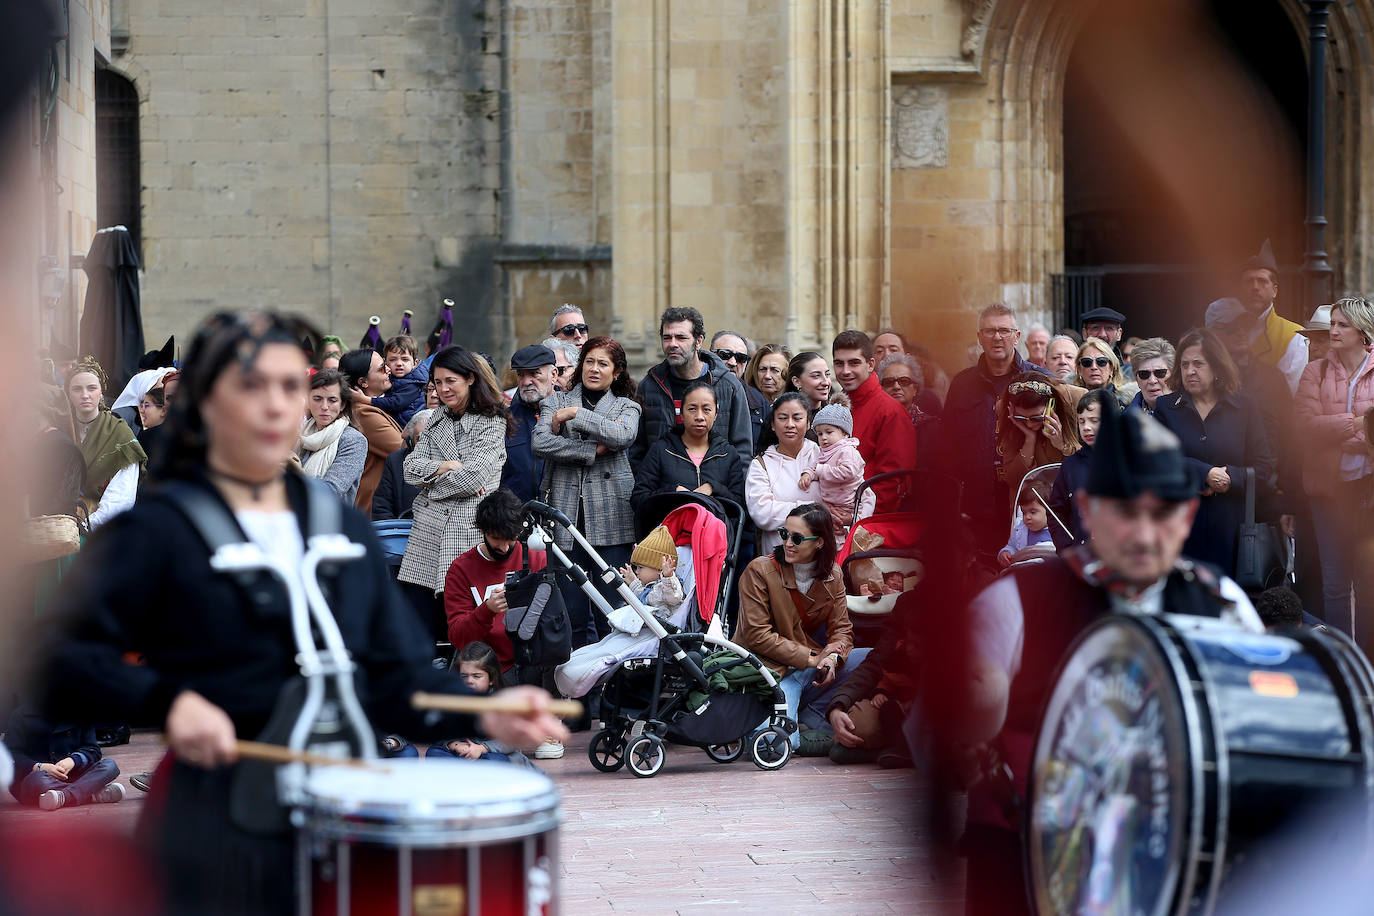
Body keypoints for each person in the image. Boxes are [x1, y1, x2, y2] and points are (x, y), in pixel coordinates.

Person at [34, 311, 566, 915]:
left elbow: (395, 675)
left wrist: (483, 712)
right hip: (218, 826)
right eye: (251, 385)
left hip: (343, 821)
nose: (275, 405)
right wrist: (168, 703)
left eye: (291, 387)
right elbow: (60, 660)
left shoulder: (338, 526)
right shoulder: (159, 529)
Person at [956, 402, 1262, 916]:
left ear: (1188, 515)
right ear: (1088, 508)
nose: (1144, 535)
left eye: (1163, 512)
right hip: (1023, 854)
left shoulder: (1222, 604)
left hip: (1166, 863)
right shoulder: (1015, 601)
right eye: (1125, 511)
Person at [734, 503, 870, 755]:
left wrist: (831, 657)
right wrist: (813, 659)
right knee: (771, 748)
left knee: (873, 658)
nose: (788, 543)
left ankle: (811, 717)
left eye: (797, 538)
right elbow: (757, 635)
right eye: (784, 534)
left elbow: (842, 630)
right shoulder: (759, 570)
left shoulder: (833, 574)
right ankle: (812, 734)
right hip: (771, 671)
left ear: (819, 542)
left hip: (809, 667)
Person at [532, 335, 641, 645]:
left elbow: (622, 434)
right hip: (566, 515)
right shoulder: (554, 400)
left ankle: (612, 688)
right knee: (573, 613)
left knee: (615, 612)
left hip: (613, 520)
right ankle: (577, 688)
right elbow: (540, 442)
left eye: (603, 364)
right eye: (589, 362)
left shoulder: (627, 406)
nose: (594, 369)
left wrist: (576, 415)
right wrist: (592, 451)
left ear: (616, 372)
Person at [397, 346, 510, 639]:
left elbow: (472, 479)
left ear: (470, 379)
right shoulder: (435, 419)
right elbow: (409, 469)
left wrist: (430, 486)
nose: (443, 389)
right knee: (421, 622)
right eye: (437, 382)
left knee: (463, 624)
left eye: (450, 381)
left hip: (467, 529)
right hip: (427, 533)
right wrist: (445, 466)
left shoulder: (492, 420)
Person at [1155, 327, 1277, 578]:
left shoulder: (1244, 406)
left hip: (1233, 528)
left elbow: (1264, 467)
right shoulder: (1167, 408)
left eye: (1198, 364)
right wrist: (1204, 474)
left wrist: (1230, 478)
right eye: (1185, 364)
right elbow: (1156, 462)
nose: (1190, 371)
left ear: (1217, 366)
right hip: (1182, 527)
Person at [939, 305, 1048, 564]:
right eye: (989, 331)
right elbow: (948, 444)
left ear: (1017, 336)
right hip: (975, 504)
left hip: (1026, 505)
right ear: (979, 337)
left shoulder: (1039, 380)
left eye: (1003, 330)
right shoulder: (962, 384)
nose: (997, 337)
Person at [1294, 296, 1374, 639]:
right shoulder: (1316, 370)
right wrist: (1357, 425)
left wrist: (1341, 432)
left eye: (1342, 324)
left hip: (1368, 490)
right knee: (1335, 585)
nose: (1334, 331)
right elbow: (1304, 428)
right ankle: (1344, 662)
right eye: (1333, 324)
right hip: (1328, 492)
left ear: (1363, 331)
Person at [443, 488, 548, 674]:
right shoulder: (461, 569)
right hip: (488, 669)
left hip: (531, 661)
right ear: (482, 530)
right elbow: (458, 638)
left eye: (511, 539)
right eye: (496, 539)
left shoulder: (533, 554)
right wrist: (487, 610)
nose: (504, 547)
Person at [630, 307, 753, 465]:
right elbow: (638, 451)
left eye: (681, 338)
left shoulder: (728, 385)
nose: (672, 344)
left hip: (715, 486)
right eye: (667, 338)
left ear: (699, 341)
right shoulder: (650, 385)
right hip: (663, 487)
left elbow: (742, 450)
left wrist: (728, 489)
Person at [831, 330, 918, 512]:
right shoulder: (836, 407)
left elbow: (892, 482)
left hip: (867, 524)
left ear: (871, 364)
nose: (845, 371)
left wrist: (857, 517)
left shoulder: (890, 411)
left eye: (854, 363)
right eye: (839, 364)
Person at [630, 379, 746, 510]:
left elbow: (739, 506)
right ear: (681, 414)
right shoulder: (661, 450)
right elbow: (639, 499)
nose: (699, 416)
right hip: (670, 529)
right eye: (692, 409)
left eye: (707, 409)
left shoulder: (727, 454)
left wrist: (713, 488)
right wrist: (673, 492)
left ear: (715, 415)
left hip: (715, 529)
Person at [66, 356, 147, 528]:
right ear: (68, 393)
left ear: (101, 391)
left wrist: (84, 527)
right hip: (56, 528)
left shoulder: (119, 434)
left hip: (98, 530)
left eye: (92, 388)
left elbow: (120, 500)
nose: (85, 395)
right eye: (77, 389)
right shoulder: (59, 428)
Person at [426, 643, 533, 766]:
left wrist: (482, 748)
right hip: (462, 751)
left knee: (498, 761)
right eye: (464, 676)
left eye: (476, 676)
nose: (469, 681)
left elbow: (513, 741)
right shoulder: (453, 697)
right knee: (434, 753)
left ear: (492, 678)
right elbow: (441, 731)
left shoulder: (505, 699)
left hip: (492, 753)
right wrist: (455, 744)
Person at [5, 705, 125, 810]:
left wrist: (73, 760)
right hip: (36, 780)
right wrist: (39, 767)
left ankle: (63, 797)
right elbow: (10, 756)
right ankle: (92, 795)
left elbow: (93, 749)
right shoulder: (22, 715)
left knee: (109, 765)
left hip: (73, 776)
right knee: (37, 780)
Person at [992, 373, 1081, 516]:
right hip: (1031, 514)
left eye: (1036, 417)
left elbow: (1090, 466)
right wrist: (1029, 439)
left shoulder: (1076, 400)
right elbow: (1014, 480)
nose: (1028, 423)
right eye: (1021, 417)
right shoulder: (1006, 414)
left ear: (1051, 404)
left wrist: (1062, 444)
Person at [747, 392, 820, 556]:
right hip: (778, 559)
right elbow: (762, 513)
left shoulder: (823, 456)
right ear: (772, 424)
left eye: (797, 418)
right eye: (782, 418)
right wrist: (815, 510)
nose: (790, 424)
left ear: (808, 423)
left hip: (821, 555)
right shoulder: (761, 465)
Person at [338, 349, 404, 515]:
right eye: (382, 368)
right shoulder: (363, 413)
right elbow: (403, 450)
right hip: (374, 510)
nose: (389, 369)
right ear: (363, 382)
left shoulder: (368, 408)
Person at [1239, 238, 1309, 392]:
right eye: (1249, 281)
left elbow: (1288, 395)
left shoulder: (1295, 337)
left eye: (1262, 281)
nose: (1255, 287)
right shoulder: (1223, 330)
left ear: (1275, 291)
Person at [1046, 387, 1109, 549]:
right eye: (1082, 421)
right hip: (1082, 556)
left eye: (1094, 420)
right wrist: (1066, 549)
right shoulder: (1071, 465)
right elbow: (1056, 511)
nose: (1086, 427)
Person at [297, 369, 367, 504]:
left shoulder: (354, 440)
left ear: (343, 405)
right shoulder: (299, 435)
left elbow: (331, 490)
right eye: (317, 399)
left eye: (332, 400)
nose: (324, 406)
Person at [800, 401, 869, 538]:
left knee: (846, 534)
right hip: (832, 503)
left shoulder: (847, 451)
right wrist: (807, 474)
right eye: (819, 434)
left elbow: (848, 472)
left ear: (844, 433)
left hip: (849, 503)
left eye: (829, 432)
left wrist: (821, 470)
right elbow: (815, 466)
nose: (823, 437)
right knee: (832, 534)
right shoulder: (825, 452)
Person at [501, 344, 557, 504]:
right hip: (517, 517)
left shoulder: (572, 413)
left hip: (563, 517)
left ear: (553, 375)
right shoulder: (506, 419)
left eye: (534, 374)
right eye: (520, 375)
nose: (526, 382)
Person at [609, 525, 685, 632]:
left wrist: (668, 577)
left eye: (641, 567)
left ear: (659, 569)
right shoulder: (649, 587)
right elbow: (642, 596)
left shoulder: (666, 587)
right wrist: (633, 582)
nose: (637, 571)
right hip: (647, 629)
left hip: (662, 631)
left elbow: (674, 598)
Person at [351, 335, 427, 427]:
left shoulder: (414, 383)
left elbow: (395, 403)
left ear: (415, 363)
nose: (399, 363)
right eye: (393, 359)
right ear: (386, 362)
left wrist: (365, 399)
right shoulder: (392, 377)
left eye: (405, 359)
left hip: (411, 428)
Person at [372, 409, 430, 521]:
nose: (426, 443)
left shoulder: (456, 461)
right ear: (411, 442)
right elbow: (381, 508)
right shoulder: (396, 461)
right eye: (420, 439)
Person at [877, 352, 938, 459]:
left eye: (904, 381)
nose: (896, 386)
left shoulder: (932, 429)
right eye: (889, 382)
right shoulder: (875, 425)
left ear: (915, 389)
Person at [743, 342, 791, 442]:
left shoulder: (799, 406)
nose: (767, 376)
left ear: (788, 373)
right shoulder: (743, 403)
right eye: (762, 369)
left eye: (775, 370)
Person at [997, 486, 1052, 568]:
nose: (1027, 517)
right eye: (1024, 513)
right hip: (1025, 571)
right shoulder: (1020, 530)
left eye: (1033, 512)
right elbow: (1012, 546)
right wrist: (1005, 552)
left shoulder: (1060, 532)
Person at [1072, 336, 1132, 408]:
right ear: (1079, 369)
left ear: (1111, 368)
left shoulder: (1129, 402)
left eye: (1101, 362)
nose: (1094, 367)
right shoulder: (1069, 400)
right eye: (1087, 362)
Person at [1126, 336, 1175, 414]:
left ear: (1174, 376)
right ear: (1137, 379)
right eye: (1144, 374)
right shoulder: (1123, 422)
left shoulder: (1194, 414)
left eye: (1160, 373)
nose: (1152, 381)